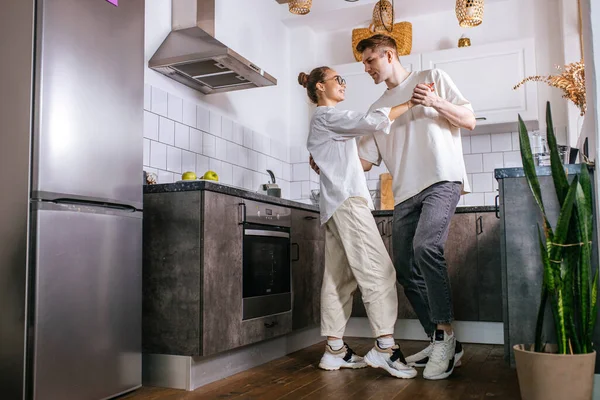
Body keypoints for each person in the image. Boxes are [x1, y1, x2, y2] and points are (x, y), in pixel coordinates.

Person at [310, 35, 476, 380]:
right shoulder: (376, 109)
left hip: (441, 179)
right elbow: (365, 160)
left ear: (388, 54)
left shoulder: (431, 77)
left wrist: (434, 102)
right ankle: (438, 339)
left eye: (370, 61)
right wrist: (325, 160)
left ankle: (444, 336)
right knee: (403, 267)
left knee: (425, 247)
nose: (366, 69)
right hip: (404, 194)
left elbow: (468, 119)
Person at [298, 66, 417, 379]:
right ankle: (386, 347)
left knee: (339, 278)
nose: (343, 84)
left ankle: (335, 350)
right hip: (349, 202)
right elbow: (371, 120)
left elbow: (347, 157)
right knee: (380, 271)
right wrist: (411, 103)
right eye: (338, 79)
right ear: (320, 87)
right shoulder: (326, 116)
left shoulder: (324, 123)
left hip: (335, 205)